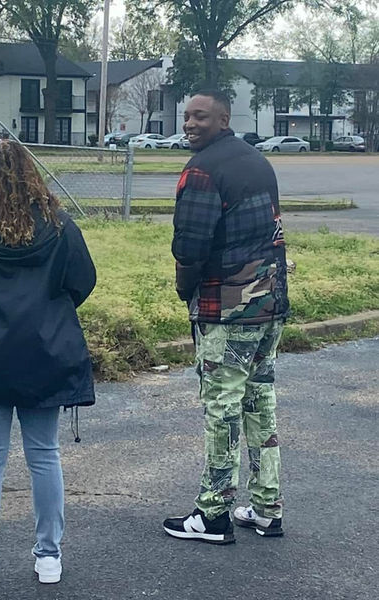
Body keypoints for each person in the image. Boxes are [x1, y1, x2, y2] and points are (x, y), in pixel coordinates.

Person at [0, 142, 96, 586]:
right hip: (47, 352)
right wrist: (49, 314)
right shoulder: (60, 224)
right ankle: (49, 557)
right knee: (44, 455)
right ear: (31, 174)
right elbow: (82, 281)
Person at [163, 90, 289, 545]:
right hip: (270, 303)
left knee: (222, 407)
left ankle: (213, 513)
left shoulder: (201, 170)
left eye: (200, 116)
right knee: (259, 402)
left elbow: (189, 246)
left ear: (223, 118)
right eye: (186, 116)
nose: (190, 124)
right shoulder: (257, 161)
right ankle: (267, 508)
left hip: (227, 308)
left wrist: (185, 290)